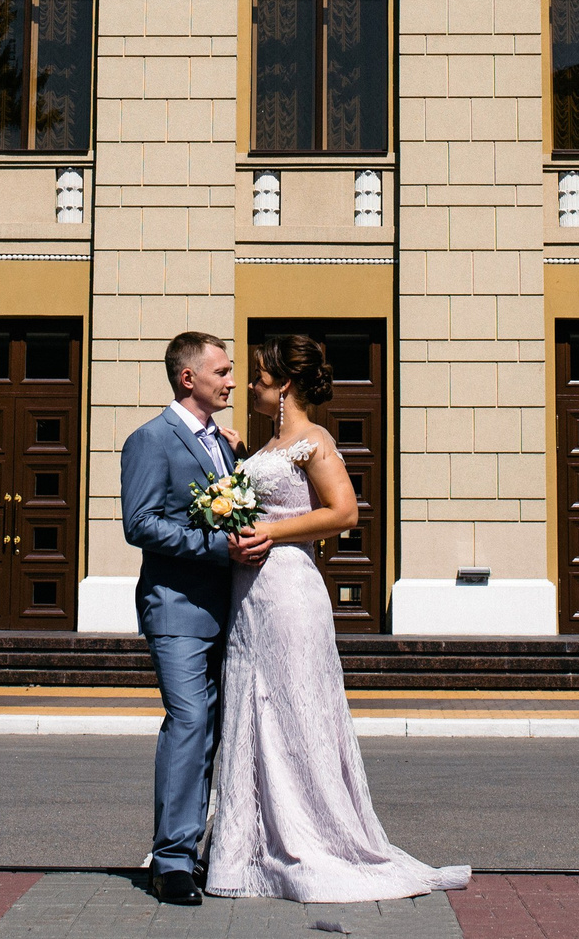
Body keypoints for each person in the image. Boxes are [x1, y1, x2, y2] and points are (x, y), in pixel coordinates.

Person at [205, 334, 470, 903]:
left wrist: (271, 530)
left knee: (296, 710)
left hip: (291, 594)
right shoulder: (268, 443)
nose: (249, 385)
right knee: (256, 708)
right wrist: (237, 456)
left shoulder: (313, 440)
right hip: (252, 597)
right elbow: (268, 489)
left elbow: (343, 512)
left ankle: (315, 840)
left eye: (257, 377)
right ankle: (252, 844)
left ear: (285, 387)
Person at [121, 330, 268, 907]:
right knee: (187, 723)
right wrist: (217, 547)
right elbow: (141, 523)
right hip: (176, 609)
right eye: (223, 371)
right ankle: (172, 861)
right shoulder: (150, 441)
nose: (232, 380)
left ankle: (212, 847)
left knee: (215, 732)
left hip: (228, 612)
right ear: (190, 379)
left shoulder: (221, 444)